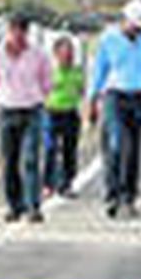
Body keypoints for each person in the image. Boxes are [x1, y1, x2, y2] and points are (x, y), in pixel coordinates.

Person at [88, 0, 141, 218]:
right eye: (134, 27)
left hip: (137, 96)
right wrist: (92, 99)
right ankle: (112, 194)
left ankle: (129, 196)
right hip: (114, 96)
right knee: (116, 144)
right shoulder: (109, 40)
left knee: (133, 150)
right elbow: (99, 70)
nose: (137, 32)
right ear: (125, 20)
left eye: (140, 28)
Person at [0, 14, 52, 223]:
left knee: (30, 159)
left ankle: (33, 206)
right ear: (9, 31)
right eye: (14, 31)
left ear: (27, 32)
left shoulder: (38, 55)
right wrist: (5, 95)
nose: (18, 37)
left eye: (22, 32)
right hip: (6, 110)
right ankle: (14, 206)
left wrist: (37, 97)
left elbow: (46, 81)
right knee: (9, 161)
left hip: (32, 110)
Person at [43, 33, 84, 196]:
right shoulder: (50, 71)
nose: (67, 56)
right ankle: (48, 183)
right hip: (51, 113)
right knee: (50, 149)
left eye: (70, 53)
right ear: (56, 54)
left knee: (69, 150)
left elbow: (81, 90)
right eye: (64, 53)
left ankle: (66, 183)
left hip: (70, 113)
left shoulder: (77, 71)